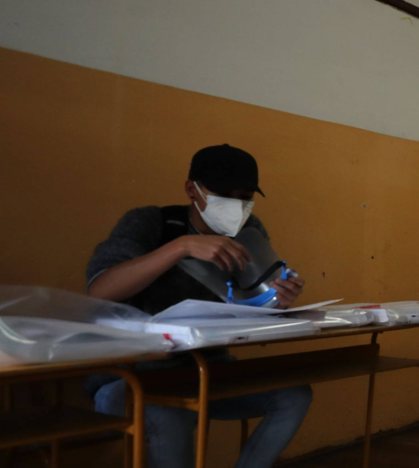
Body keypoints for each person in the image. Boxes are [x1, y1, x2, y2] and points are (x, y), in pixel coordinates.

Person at [86, 144, 311, 468]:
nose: (236, 206)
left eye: (245, 196)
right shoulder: (152, 223)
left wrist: (279, 300)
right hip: (134, 375)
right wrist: (181, 247)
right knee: (170, 418)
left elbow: (253, 306)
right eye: (224, 195)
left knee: (293, 396)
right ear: (192, 189)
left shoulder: (249, 233)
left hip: (207, 368)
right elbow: (100, 291)